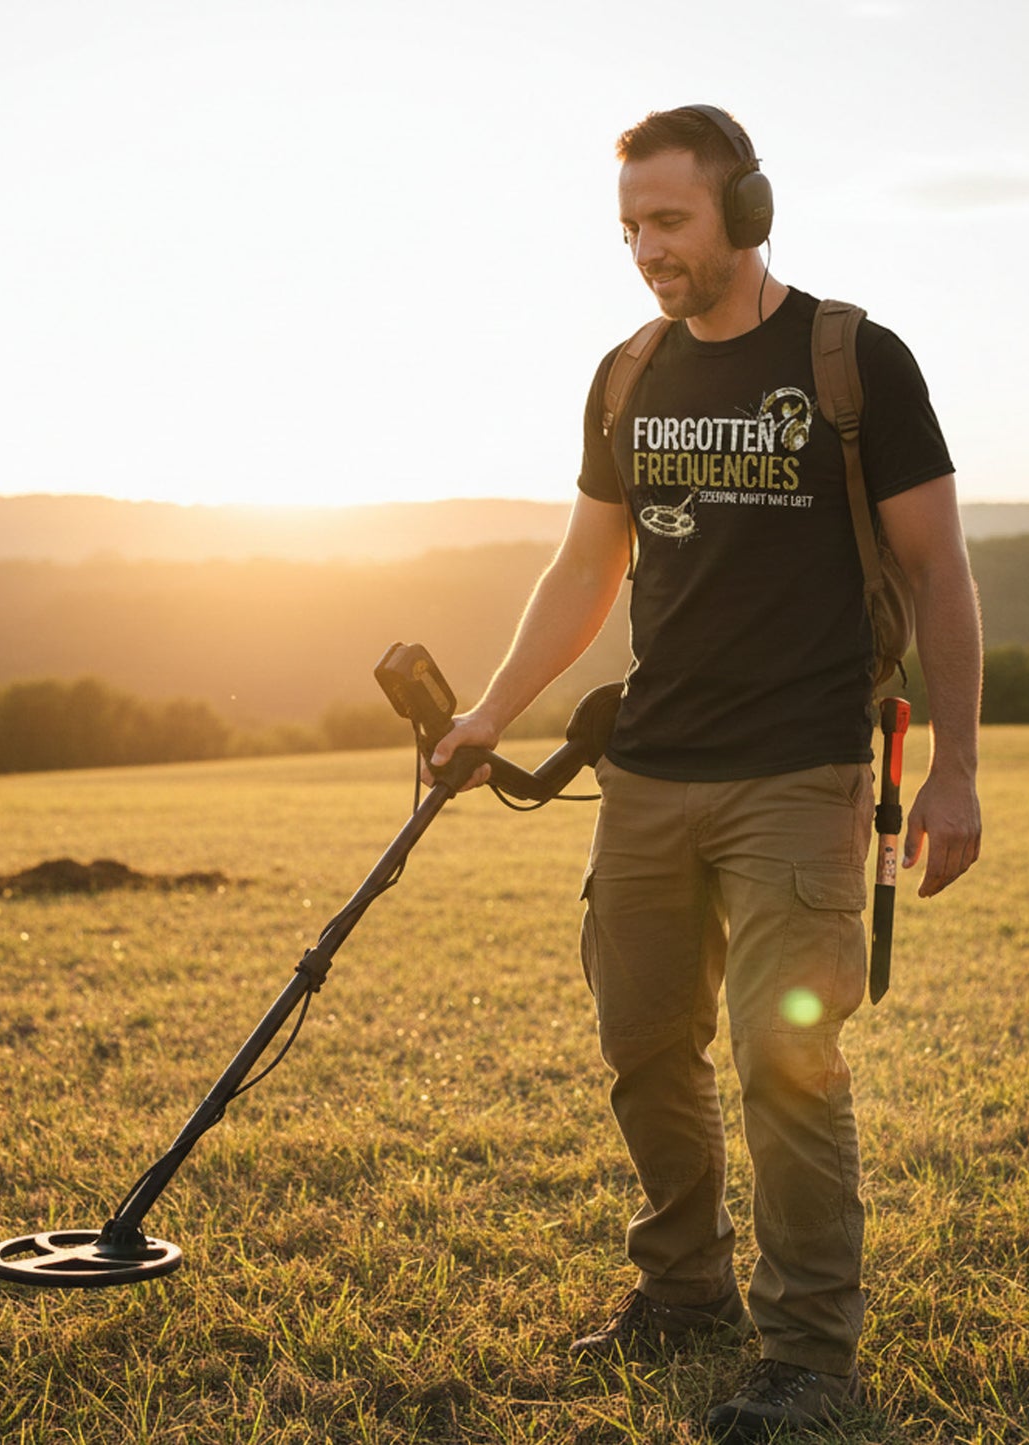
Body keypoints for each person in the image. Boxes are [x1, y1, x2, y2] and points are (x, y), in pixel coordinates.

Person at [428, 105, 983, 1440]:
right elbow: (585, 565)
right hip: (649, 769)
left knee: (784, 1057)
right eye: (627, 229)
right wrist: (491, 708)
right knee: (639, 1047)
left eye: (666, 222)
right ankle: (681, 1291)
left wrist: (957, 765)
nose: (645, 251)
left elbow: (936, 567)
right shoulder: (627, 373)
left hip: (799, 766)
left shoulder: (855, 361)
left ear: (747, 207)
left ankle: (804, 1355)